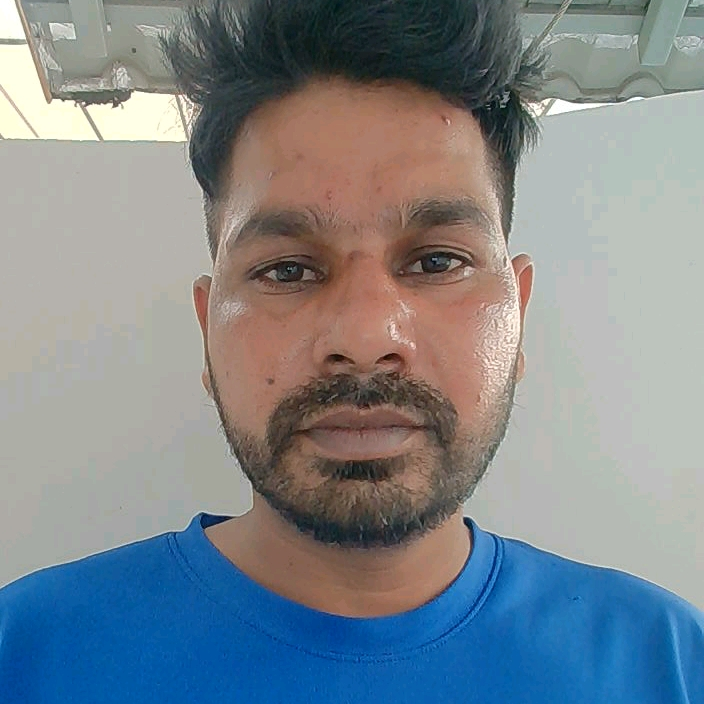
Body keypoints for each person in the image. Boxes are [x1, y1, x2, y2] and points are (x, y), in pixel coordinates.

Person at [2, 0, 703, 700]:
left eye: (436, 262)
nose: (366, 339)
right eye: (288, 271)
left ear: (517, 316)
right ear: (207, 329)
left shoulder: (667, 662)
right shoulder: (29, 655)